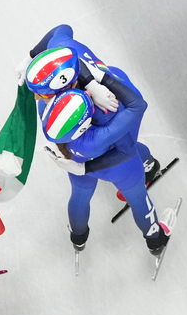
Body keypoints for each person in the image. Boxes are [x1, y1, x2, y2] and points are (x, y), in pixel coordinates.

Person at [24, 30, 173, 256]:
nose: (36, 97)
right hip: (117, 161)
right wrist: (99, 79)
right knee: (137, 195)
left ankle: (78, 237)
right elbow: (127, 147)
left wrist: (31, 56)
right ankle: (155, 239)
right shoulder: (108, 111)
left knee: (79, 196)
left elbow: (61, 32)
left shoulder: (47, 110)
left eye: (40, 93)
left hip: (75, 158)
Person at [20, 24, 161, 189]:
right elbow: (62, 29)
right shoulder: (62, 53)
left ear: (66, 87)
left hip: (122, 102)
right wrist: (31, 56)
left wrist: (85, 168)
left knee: (122, 141)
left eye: (43, 94)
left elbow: (127, 149)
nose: (36, 97)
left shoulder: (105, 111)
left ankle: (148, 164)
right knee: (111, 139)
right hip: (113, 76)